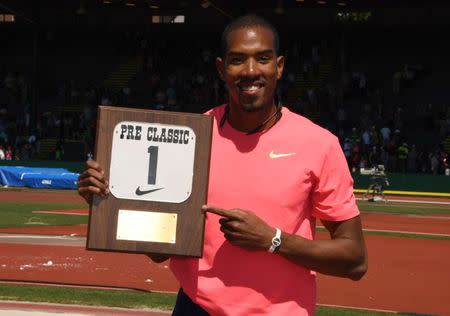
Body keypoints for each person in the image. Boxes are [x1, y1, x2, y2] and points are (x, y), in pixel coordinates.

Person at [77, 14, 367, 316]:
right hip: (196, 308)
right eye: (238, 60)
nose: (251, 70)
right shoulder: (189, 139)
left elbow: (355, 260)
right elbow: (160, 251)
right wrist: (107, 200)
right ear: (221, 68)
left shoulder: (319, 144)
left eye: (263, 59)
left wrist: (273, 240)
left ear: (279, 67)